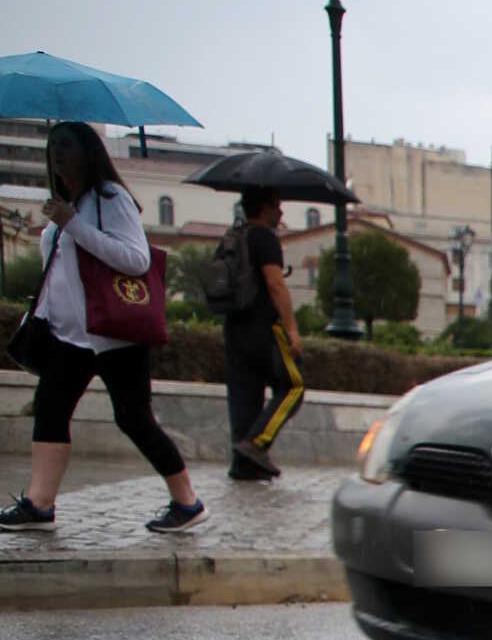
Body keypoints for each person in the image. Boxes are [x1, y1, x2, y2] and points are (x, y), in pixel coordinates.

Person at [2, 122, 204, 533]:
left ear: (88, 152)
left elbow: (136, 260)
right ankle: (39, 504)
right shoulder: (62, 204)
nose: (58, 153)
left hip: (114, 334)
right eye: (54, 145)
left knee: (133, 419)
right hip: (67, 337)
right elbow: (59, 271)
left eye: (68, 146)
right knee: (50, 412)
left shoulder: (111, 200)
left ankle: (187, 501)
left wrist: (74, 224)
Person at [223, 188, 305, 480]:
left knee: (245, 394)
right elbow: (274, 284)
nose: (281, 213)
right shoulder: (264, 238)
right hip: (262, 327)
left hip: (234, 328)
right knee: (294, 386)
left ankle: (243, 464)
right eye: (277, 206)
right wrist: (292, 329)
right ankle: (256, 444)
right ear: (264, 208)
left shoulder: (236, 236)